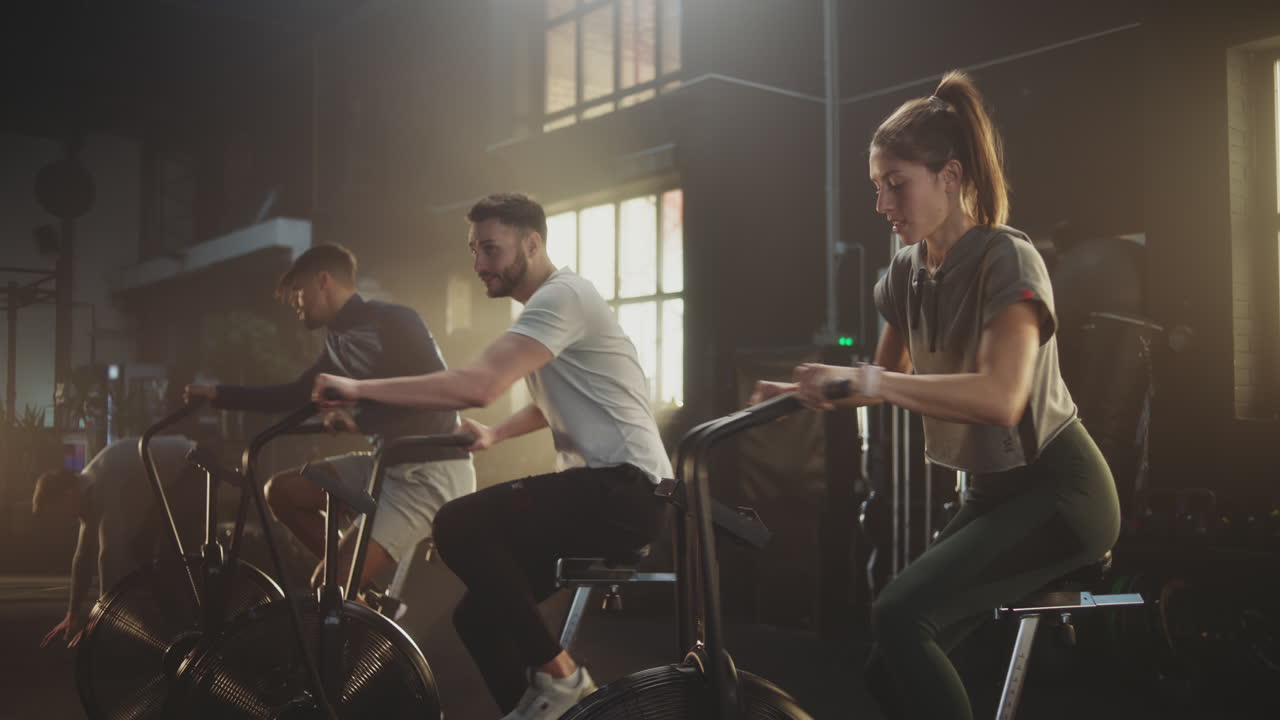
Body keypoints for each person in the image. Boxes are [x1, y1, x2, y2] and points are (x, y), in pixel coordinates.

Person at [753, 71, 1121, 720]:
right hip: (989, 492)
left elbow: (1003, 398)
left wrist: (869, 380)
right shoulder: (904, 271)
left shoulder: (1009, 259)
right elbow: (882, 375)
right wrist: (807, 389)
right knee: (888, 669)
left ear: (949, 179)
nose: (882, 203)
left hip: (1059, 492)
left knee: (900, 617)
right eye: (877, 187)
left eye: (898, 185)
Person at [312, 193, 673, 720]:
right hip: (613, 494)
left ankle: (566, 680)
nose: (480, 264)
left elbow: (477, 384)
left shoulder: (561, 297)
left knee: (457, 523)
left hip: (623, 492)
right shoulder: (555, 307)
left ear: (532, 243)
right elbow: (568, 401)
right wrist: (495, 434)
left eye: (491, 249)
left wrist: (359, 387)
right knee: (479, 618)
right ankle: (546, 712)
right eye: (473, 250)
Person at [185, 242, 475, 593]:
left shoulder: (396, 321)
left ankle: (346, 587)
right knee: (282, 492)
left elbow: (438, 399)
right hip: (386, 464)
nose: (295, 301)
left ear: (324, 281)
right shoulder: (338, 341)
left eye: (298, 290)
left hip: (429, 474)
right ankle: (359, 592)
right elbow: (293, 394)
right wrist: (217, 394)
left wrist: (359, 421)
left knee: (327, 586)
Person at [33, 434, 197, 648]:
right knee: (141, 552)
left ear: (67, 495)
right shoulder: (85, 489)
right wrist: (72, 613)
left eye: (56, 514)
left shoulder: (103, 485)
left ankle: (192, 627)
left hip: (190, 466)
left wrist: (98, 618)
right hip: (166, 475)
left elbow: (108, 552)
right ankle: (172, 624)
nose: (59, 522)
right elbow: (83, 556)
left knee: (169, 556)